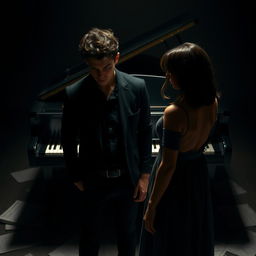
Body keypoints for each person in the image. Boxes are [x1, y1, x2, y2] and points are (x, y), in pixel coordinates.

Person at [61, 28, 152, 256]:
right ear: (86, 64)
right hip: (94, 181)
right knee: (89, 237)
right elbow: (68, 140)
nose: (100, 75)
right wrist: (76, 176)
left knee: (128, 236)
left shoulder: (138, 88)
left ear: (117, 58)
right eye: (94, 69)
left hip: (127, 180)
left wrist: (144, 175)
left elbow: (144, 132)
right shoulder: (74, 94)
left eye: (107, 68)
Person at [141, 42, 218, 256]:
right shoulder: (213, 101)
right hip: (197, 174)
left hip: (175, 181)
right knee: (192, 231)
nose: (167, 77)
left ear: (187, 75)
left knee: (168, 236)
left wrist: (151, 207)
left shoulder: (174, 112)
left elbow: (168, 166)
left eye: (170, 72)